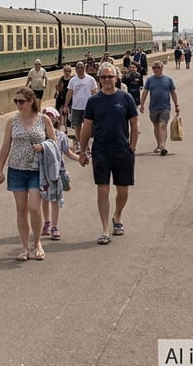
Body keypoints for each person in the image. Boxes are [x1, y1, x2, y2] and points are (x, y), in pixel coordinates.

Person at [77, 63, 140, 245]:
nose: (106, 80)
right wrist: (83, 151)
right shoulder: (93, 101)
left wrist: (132, 147)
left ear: (116, 78)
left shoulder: (126, 98)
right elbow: (87, 126)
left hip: (122, 150)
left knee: (123, 191)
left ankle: (117, 215)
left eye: (110, 77)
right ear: (99, 79)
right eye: (103, 77)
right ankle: (105, 229)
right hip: (101, 151)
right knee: (103, 190)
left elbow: (134, 124)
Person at [0, 87, 56, 261]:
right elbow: (6, 145)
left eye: (21, 101)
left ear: (31, 102)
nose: (18, 104)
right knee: (21, 210)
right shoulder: (12, 121)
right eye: (16, 101)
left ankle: (37, 243)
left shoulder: (43, 119)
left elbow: (53, 140)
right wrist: (0, 169)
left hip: (37, 170)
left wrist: (43, 146)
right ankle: (24, 247)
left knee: (34, 208)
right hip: (16, 170)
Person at [41, 107, 81, 241]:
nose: (48, 118)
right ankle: (46, 222)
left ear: (56, 118)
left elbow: (68, 153)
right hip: (42, 172)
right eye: (45, 115)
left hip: (56, 172)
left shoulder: (61, 136)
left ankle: (54, 226)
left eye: (50, 115)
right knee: (44, 199)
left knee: (55, 200)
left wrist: (80, 159)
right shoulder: (38, 135)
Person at [140, 61, 180, 155]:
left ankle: (162, 146)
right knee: (156, 126)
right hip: (153, 107)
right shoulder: (150, 80)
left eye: (158, 67)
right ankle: (158, 144)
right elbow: (145, 92)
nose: (156, 69)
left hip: (165, 107)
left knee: (163, 125)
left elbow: (173, 92)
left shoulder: (168, 80)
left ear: (162, 68)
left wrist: (176, 105)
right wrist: (142, 105)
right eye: (154, 68)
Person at [63, 61, 97, 140]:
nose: (80, 69)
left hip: (88, 107)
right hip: (76, 107)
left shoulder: (91, 79)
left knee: (87, 126)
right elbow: (69, 93)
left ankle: (86, 142)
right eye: (78, 68)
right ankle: (79, 141)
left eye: (81, 67)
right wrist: (65, 106)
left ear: (84, 68)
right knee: (77, 126)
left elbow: (94, 93)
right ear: (75, 69)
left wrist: (95, 105)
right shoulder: (72, 80)